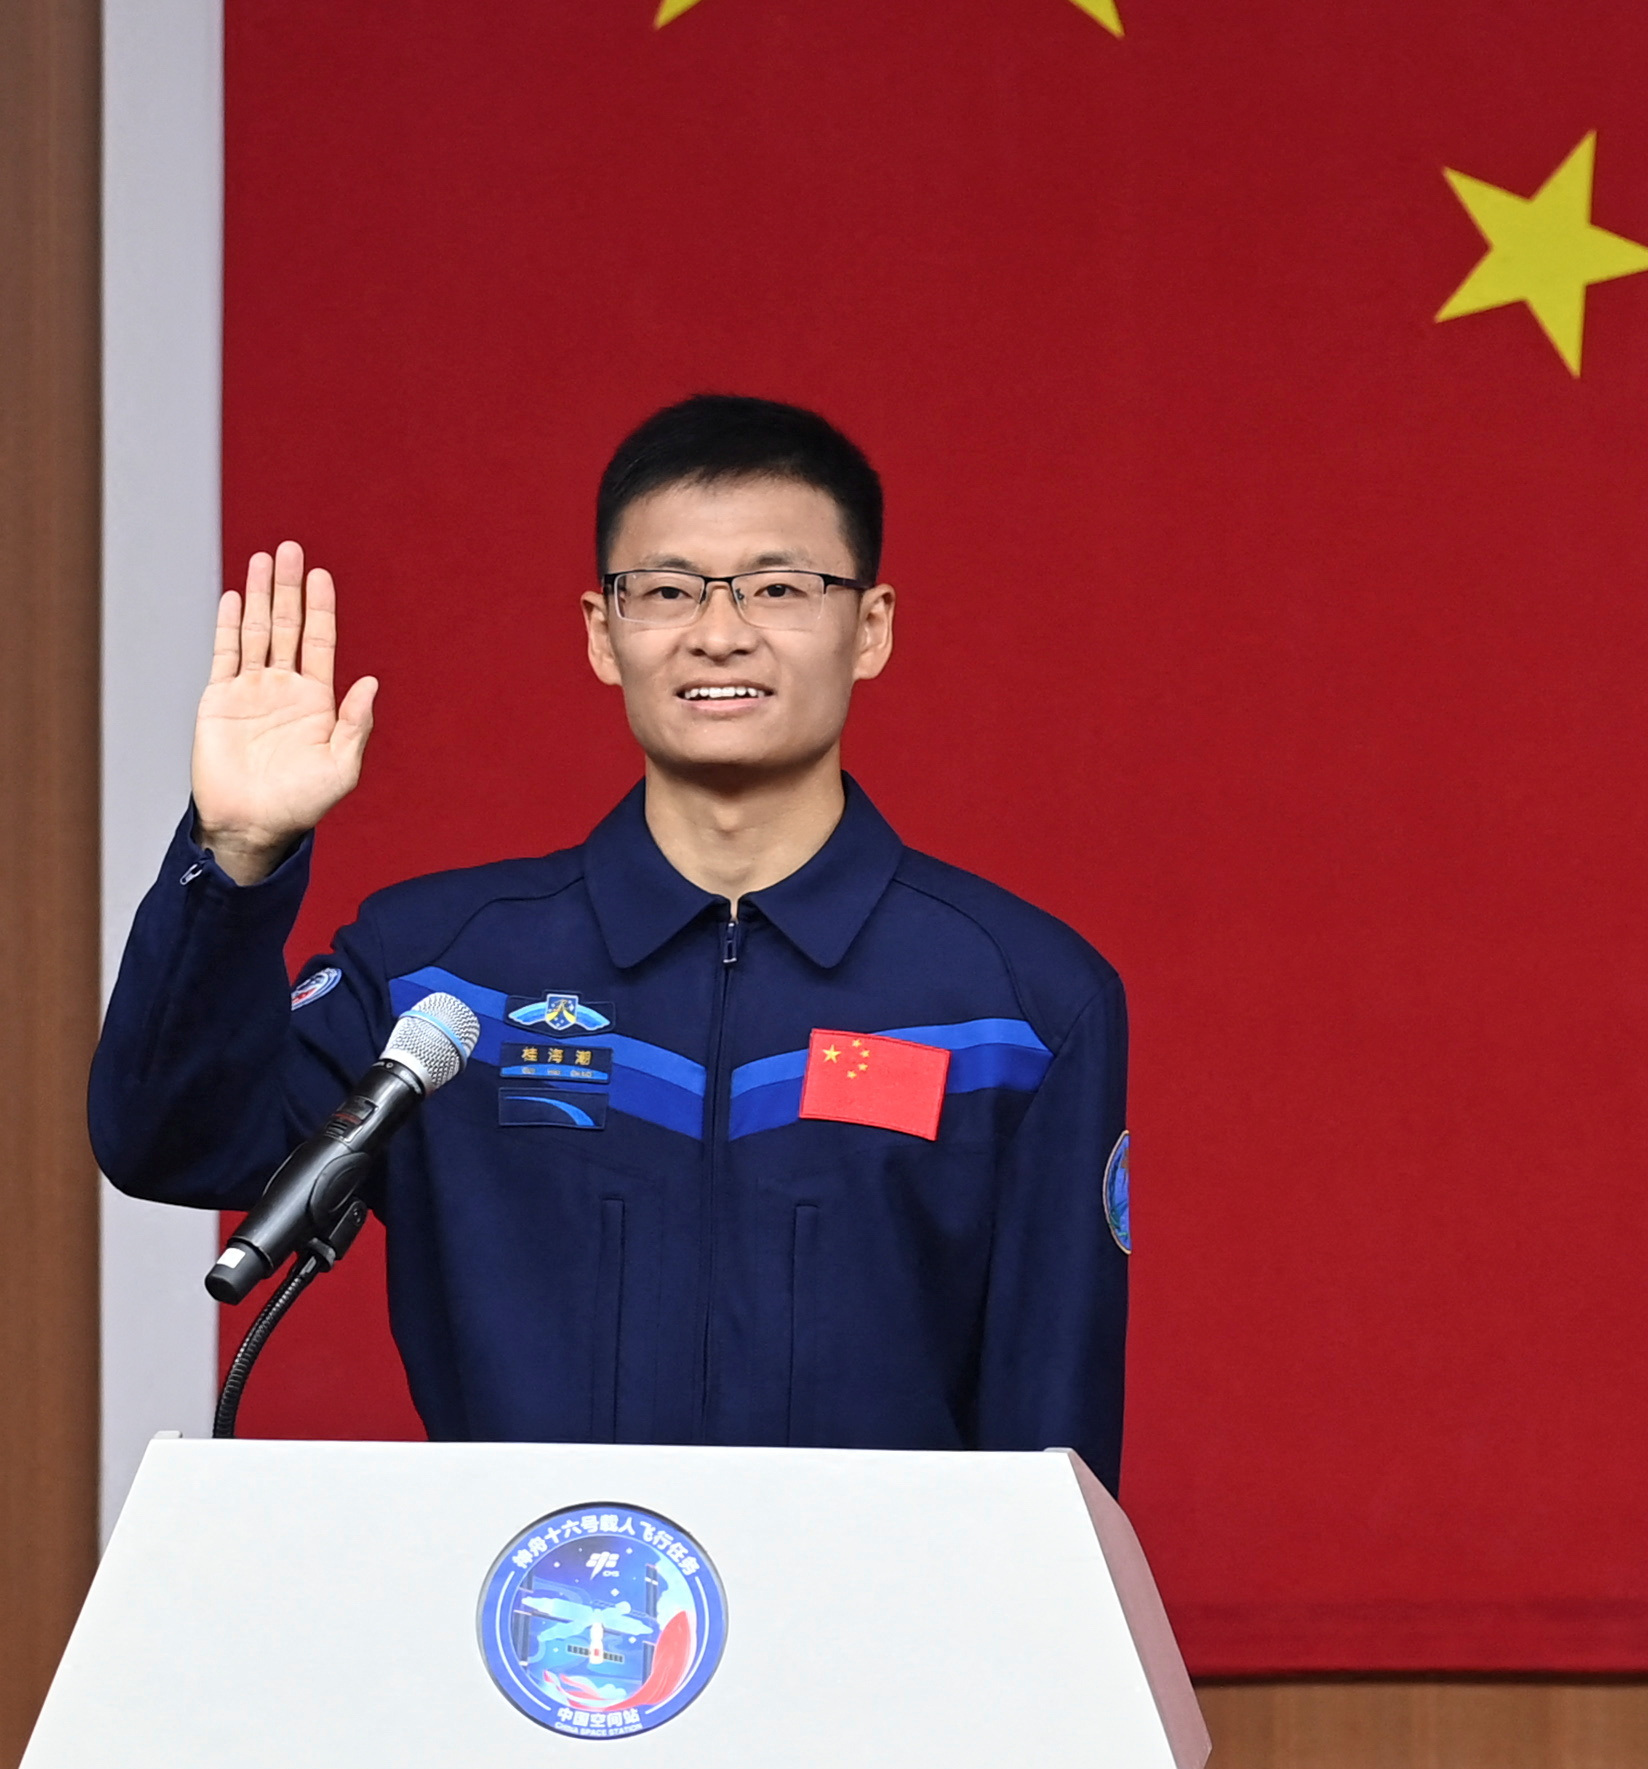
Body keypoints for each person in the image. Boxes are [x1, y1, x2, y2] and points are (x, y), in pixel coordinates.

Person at [91, 396, 1134, 1480]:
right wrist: (239, 856)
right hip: (521, 1627)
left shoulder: (1018, 1003)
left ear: (869, 627)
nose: (719, 631)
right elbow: (171, 1143)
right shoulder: (443, 978)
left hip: (873, 1637)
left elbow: (1050, 1440)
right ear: (603, 632)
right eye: (667, 590)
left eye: (780, 588)